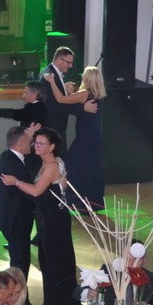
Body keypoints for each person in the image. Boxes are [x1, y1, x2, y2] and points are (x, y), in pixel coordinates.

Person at [0, 127, 82, 305]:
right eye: (35, 142)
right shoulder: (47, 162)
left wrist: (16, 182)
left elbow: (37, 191)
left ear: (52, 147)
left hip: (54, 221)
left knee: (54, 263)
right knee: (48, 262)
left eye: (41, 143)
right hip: (48, 218)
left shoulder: (52, 165)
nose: (36, 145)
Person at [45, 65, 105, 207]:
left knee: (71, 165)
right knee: (89, 167)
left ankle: (73, 201)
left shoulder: (84, 93)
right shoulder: (97, 94)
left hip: (85, 137)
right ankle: (90, 203)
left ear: (87, 78)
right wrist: (70, 92)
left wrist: (52, 82)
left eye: (84, 74)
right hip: (94, 135)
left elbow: (60, 100)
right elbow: (74, 105)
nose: (81, 76)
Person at [73, 240, 153, 305]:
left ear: (144, 260)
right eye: (126, 259)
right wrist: (88, 293)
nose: (130, 264)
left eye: (135, 260)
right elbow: (77, 292)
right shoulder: (109, 272)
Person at [0, 126, 40, 288]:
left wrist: (29, 134)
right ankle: (18, 297)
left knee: (19, 261)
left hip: (9, 219)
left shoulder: (6, 156)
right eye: (30, 141)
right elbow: (33, 193)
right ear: (20, 144)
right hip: (17, 222)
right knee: (20, 264)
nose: (32, 144)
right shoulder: (15, 167)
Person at [38, 46, 98, 143]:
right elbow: (57, 104)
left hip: (54, 126)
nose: (71, 66)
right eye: (68, 62)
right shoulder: (49, 77)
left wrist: (65, 89)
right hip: (53, 127)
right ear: (59, 60)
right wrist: (82, 107)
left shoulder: (49, 72)